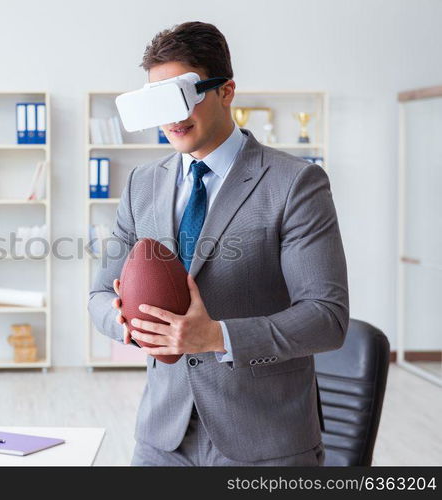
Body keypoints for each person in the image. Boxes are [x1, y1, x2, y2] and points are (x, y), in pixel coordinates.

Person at [88, 21, 349, 466]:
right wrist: (130, 326)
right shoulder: (142, 184)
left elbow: (326, 317)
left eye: (182, 96)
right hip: (162, 437)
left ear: (225, 91)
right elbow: (98, 296)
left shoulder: (295, 184)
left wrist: (217, 336)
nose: (171, 117)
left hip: (264, 439)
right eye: (158, 101)